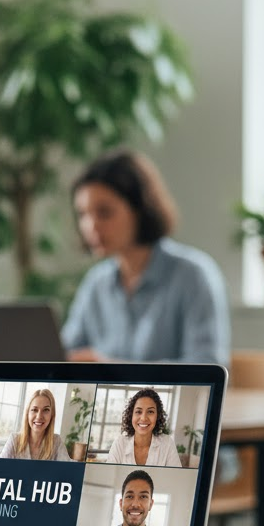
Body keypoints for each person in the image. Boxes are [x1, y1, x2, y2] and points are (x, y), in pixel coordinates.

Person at [61, 148, 230, 366]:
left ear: (139, 210)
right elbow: (65, 353)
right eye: (83, 214)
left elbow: (207, 365)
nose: (90, 226)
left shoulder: (193, 275)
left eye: (104, 212)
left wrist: (111, 369)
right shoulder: (96, 283)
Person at [89, 469, 170, 526]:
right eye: (130, 496)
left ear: (150, 504)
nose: (135, 504)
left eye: (143, 497)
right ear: (121, 504)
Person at [105, 388, 181, 467]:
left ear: (157, 416)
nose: (144, 418)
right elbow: (109, 477)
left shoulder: (167, 444)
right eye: (138, 412)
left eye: (150, 412)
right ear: (131, 415)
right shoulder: (120, 444)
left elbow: (176, 478)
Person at [0, 389, 72, 461]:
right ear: (27, 414)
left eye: (46, 410)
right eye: (34, 410)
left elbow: (69, 469)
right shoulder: (14, 440)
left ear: (52, 415)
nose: (39, 416)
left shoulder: (56, 442)